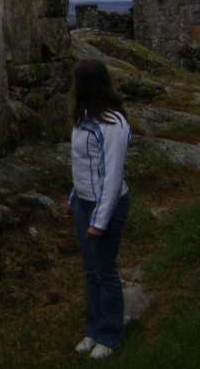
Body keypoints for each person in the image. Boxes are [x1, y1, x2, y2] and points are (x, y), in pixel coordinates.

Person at [67, 59, 132, 360]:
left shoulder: (113, 123)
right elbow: (83, 163)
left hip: (107, 205)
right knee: (91, 271)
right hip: (85, 202)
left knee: (105, 271)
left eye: (77, 81)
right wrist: (74, 198)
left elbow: (113, 174)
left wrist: (100, 220)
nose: (73, 87)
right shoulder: (84, 117)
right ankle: (94, 329)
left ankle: (111, 334)